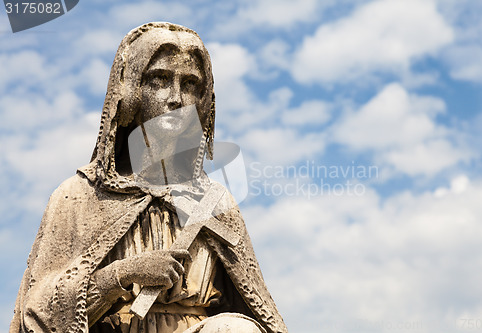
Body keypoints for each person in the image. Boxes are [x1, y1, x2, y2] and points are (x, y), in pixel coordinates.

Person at [10, 22, 287, 333]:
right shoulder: (79, 196)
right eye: (159, 79)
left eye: (190, 84)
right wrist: (122, 275)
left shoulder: (215, 201)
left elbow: (257, 306)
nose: (176, 99)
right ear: (130, 93)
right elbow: (38, 312)